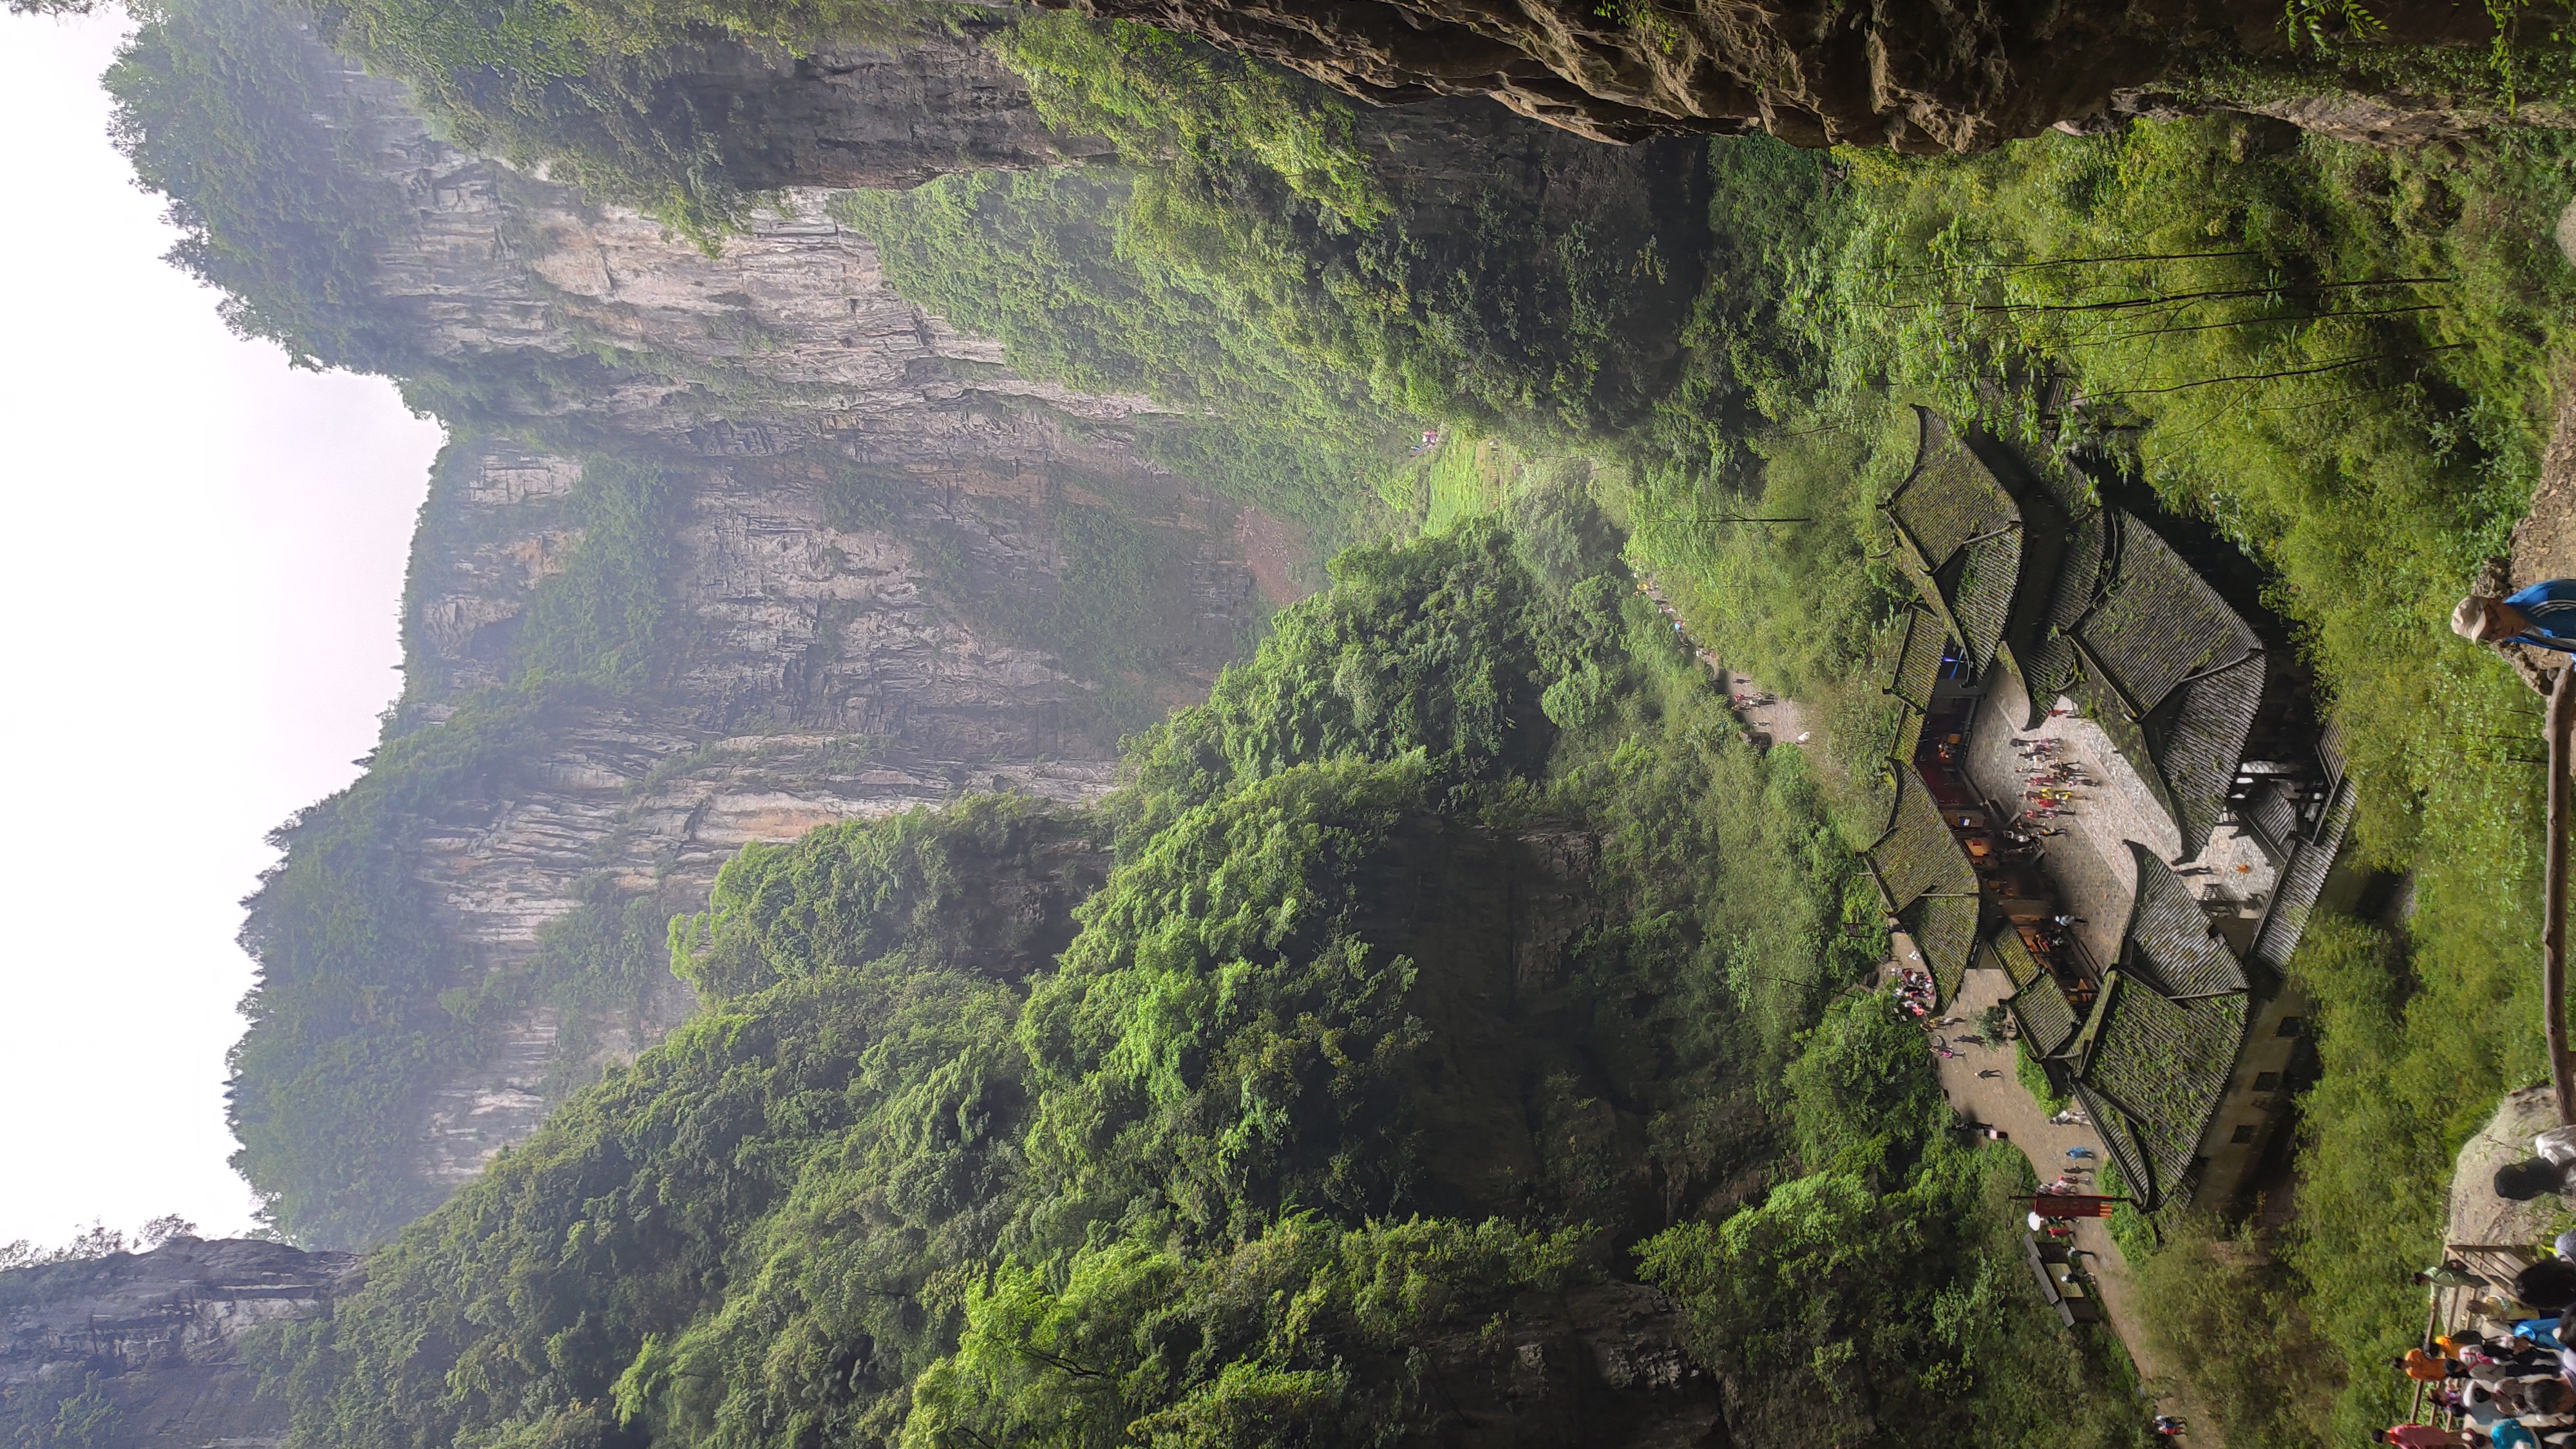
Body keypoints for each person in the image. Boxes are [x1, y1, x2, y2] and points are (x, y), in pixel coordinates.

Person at [2454, 582, 2576, 652]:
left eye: (2493, 622)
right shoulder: (2513, 632)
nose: (2498, 634)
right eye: (2487, 636)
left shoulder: (2545, 599)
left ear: (2495, 603)